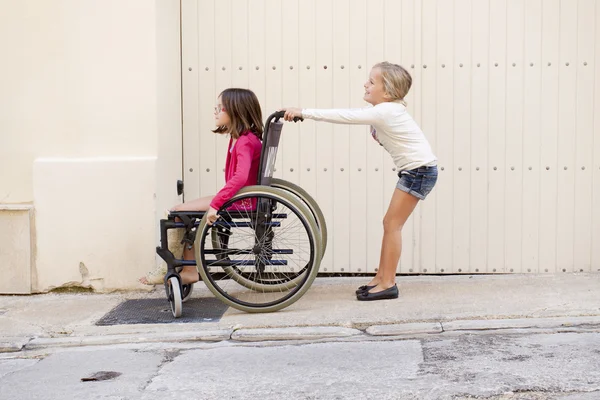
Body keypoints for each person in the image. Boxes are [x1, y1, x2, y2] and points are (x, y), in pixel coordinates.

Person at [282, 61, 437, 301]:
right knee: (389, 224)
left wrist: (305, 112)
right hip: (416, 171)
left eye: (371, 82)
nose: (366, 84)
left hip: (419, 171)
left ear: (387, 92)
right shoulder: (387, 110)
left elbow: (345, 116)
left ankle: (388, 283)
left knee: (392, 225)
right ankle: (381, 278)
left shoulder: (386, 111)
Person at [141, 88, 263, 285]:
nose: (215, 111)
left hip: (241, 201)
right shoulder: (240, 139)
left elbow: (240, 177)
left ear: (235, 110)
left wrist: (216, 204)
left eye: (219, 107)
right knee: (179, 211)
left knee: (179, 212)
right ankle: (187, 268)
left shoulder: (244, 142)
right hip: (240, 198)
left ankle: (179, 268)